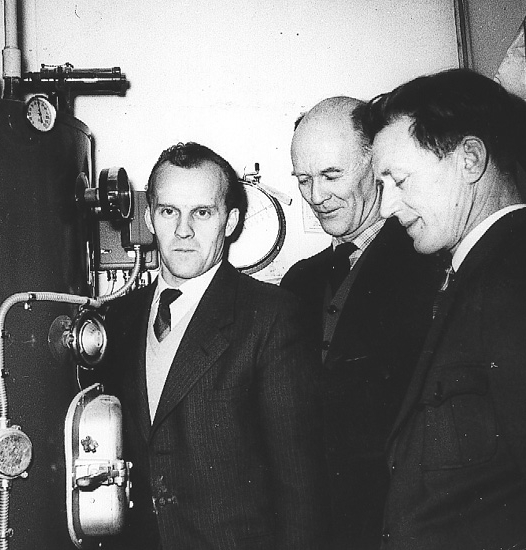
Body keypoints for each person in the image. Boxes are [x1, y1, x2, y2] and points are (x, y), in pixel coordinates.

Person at [102, 142, 327, 550]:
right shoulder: (116, 319)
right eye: (168, 211)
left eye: (202, 213)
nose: (183, 230)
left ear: (231, 221)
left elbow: (300, 487)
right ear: (149, 218)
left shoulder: (271, 317)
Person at [368, 68, 526, 549]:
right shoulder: (476, 274)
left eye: (399, 180)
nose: (386, 208)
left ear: (470, 159)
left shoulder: (512, 280)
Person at [280, 96, 440, 549]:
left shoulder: (428, 264)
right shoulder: (298, 281)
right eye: (304, 179)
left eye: (331, 175)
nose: (316, 196)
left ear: (376, 165)